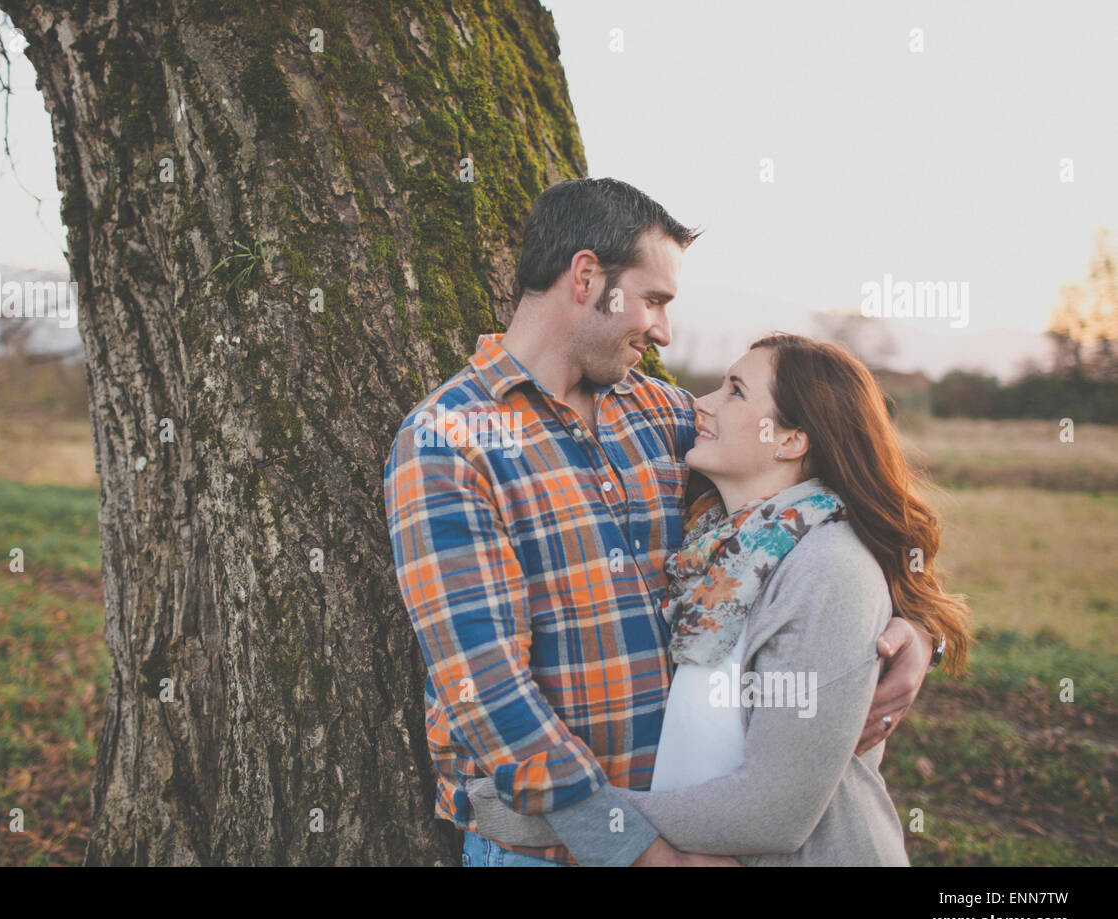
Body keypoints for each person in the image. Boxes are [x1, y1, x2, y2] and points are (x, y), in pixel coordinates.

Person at [383, 178, 941, 868]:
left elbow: (821, 501)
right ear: (587, 277)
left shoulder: (662, 414)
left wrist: (910, 631)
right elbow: (485, 685)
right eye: (654, 300)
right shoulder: (450, 439)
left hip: (695, 827)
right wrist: (637, 848)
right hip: (548, 851)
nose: (664, 330)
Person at [466, 334, 972, 864]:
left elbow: (773, 813)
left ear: (792, 440)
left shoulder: (827, 568)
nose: (701, 404)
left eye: (735, 391)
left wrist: (560, 818)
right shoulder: (720, 550)